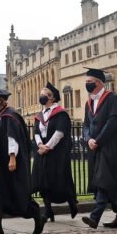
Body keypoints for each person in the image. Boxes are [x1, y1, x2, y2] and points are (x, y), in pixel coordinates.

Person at [0, 87, 44, 234]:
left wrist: (12, 157)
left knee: (15, 192)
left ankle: (36, 214)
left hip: (7, 161)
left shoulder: (10, 116)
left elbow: (12, 138)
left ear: (1, 101)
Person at [80, 68, 117, 230]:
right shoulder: (90, 101)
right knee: (109, 183)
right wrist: (89, 139)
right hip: (95, 147)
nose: (87, 85)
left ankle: (95, 217)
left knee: (103, 180)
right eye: (86, 82)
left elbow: (113, 121)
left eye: (90, 82)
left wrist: (99, 140)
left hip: (110, 147)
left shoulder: (112, 98)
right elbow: (86, 124)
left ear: (100, 83)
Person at [32, 82, 79, 222]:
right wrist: (40, 144)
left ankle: (72, 202)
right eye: (41, 95)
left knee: (59, 180)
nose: (41, 97)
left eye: (44, 95)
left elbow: (59, 133)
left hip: (57, 153)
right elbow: (36, 132)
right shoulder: (40, 115)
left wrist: (48, 147)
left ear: (52, 98)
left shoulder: (60, 113)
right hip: (42, 152)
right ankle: (48, 211)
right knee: (43, 181)